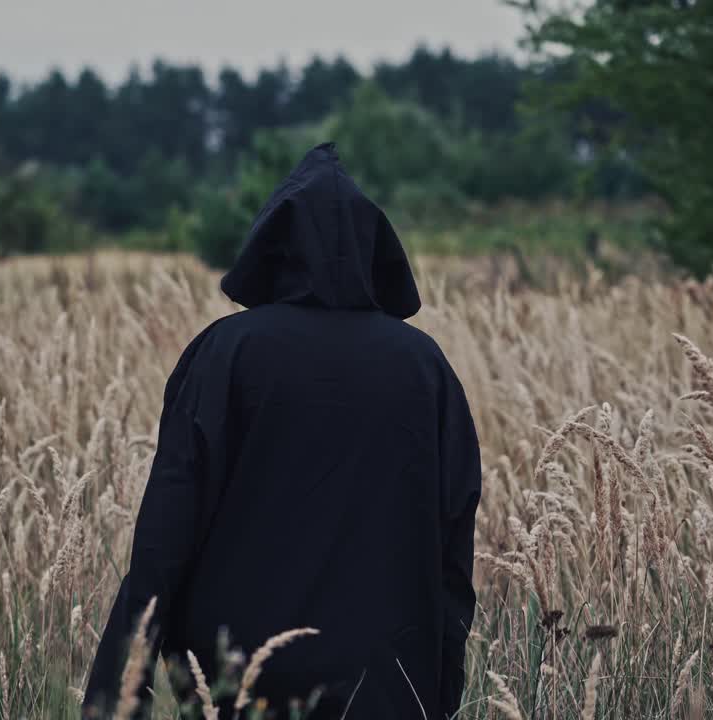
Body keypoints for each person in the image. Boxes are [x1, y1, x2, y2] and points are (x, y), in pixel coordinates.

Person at [83, 143, 481, 719]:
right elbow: (454, 538)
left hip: (240, 681)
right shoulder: (424, 367)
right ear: (374, 249)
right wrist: (440, 683)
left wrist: (119, 690)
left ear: (272, 246)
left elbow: (166, 531)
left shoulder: (226, 354)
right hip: (385, 680)